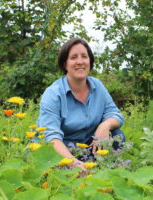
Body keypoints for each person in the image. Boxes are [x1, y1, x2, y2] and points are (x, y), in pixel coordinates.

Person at [36, 37, 125, 171]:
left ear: (90, 61)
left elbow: (115, 114)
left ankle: (106, 170)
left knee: (117, 134)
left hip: (87, 146)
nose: (80, 62)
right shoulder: (53, 94)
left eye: (84, 56)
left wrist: (105, 125)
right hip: (61, 149)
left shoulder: (97, 86)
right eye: (73, 57)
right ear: (65, 64)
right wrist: (72, 162)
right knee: (57, 170)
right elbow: (51, 137)